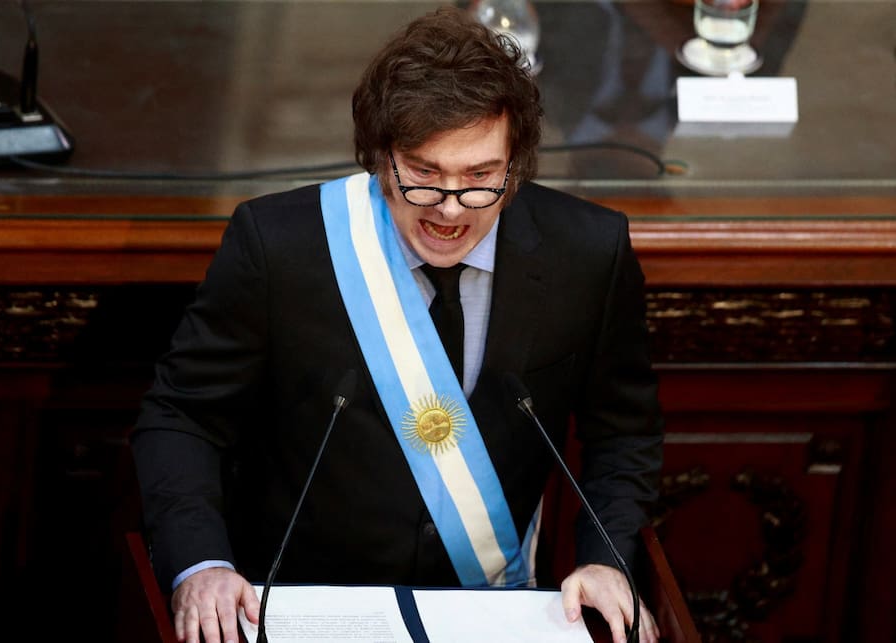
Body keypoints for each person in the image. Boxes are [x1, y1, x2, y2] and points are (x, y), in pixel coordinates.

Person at [131, 6, 664, 643]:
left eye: (480, 177)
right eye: (423, 174)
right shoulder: (279, 246)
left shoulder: (587, 252)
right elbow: (183, 416)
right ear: (380, 158)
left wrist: (607, 558)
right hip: (302, 606)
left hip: (495, 610)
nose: (450, 210)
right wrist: (202, 565)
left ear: (516, 165)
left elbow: (623, 432)